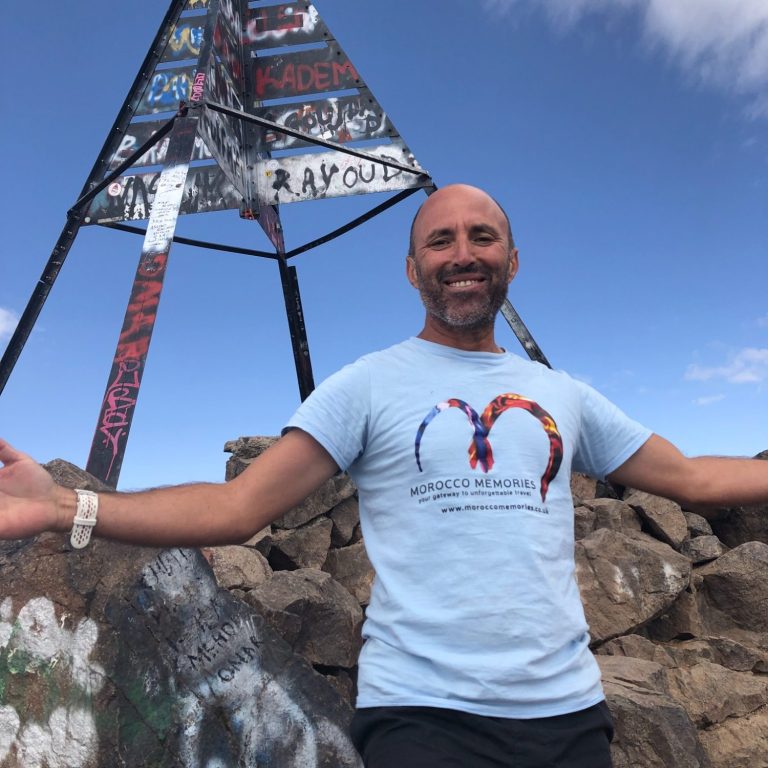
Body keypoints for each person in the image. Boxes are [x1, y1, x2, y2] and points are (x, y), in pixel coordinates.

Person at [0, 184, 766, 768]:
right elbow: (238, 507)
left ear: (513, 260)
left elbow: (692, 478)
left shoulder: (563, 394)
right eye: (441, 241)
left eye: (482, 236)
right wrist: (63, 505)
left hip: (568, 718)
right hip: (421, 720)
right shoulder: (367, 385)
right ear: (412, 269)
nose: (462, 252)